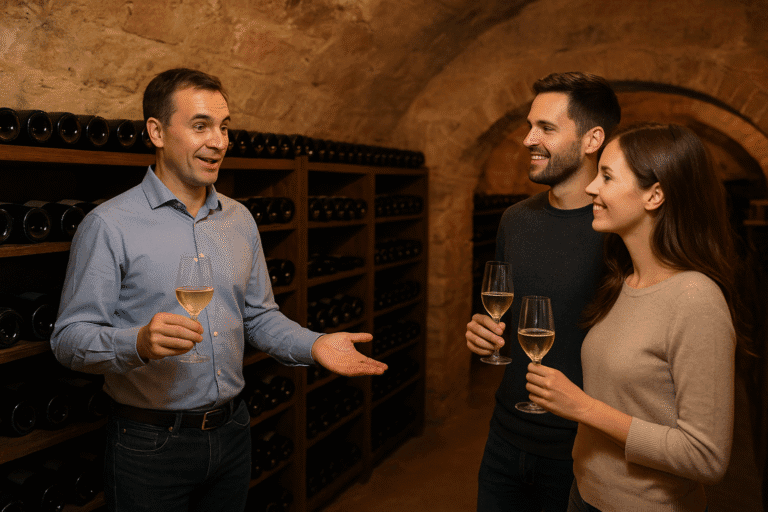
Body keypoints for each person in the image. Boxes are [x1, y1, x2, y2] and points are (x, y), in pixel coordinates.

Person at [50, 68, 387, 512]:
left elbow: (259, 317)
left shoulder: (239, 219)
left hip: (233, 432)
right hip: (150, 444)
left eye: (224, 127)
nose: (219, 141)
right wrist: (139, 343)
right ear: (156, 132)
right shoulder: (109, 225)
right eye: (200, 126)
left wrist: (314, 344)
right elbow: (68, 339)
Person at [525, 122, 751, 511]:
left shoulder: (696, 300)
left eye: (607, 176)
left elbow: (706, 457)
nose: (591, 188)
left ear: (654, 195)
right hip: (584, 494)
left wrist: (583, 407)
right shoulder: (623, 281)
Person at [465, 71, 621, 511]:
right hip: (505, 437)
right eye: (529, 126)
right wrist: (483, 332)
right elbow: (504, 318)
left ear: (592, 140)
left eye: (546, 128)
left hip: (582, 448)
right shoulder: (515, 219)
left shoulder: (618, 230)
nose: (528, 139)